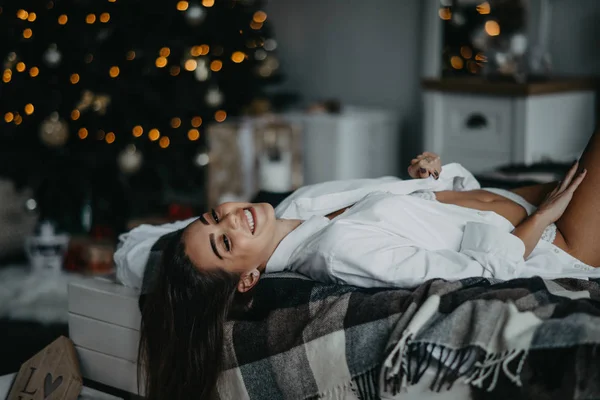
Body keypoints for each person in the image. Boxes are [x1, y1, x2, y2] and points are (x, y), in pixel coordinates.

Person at [119, 127, 600, 400]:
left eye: (211, 218)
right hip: (555, 241)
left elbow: (427, 209)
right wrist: (541, 221)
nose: (230, 219)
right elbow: (468, 270)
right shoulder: (336, 252)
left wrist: (428, 179)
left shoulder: (300, 203)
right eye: (224, 243)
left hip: (521, 198)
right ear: (248, 277)